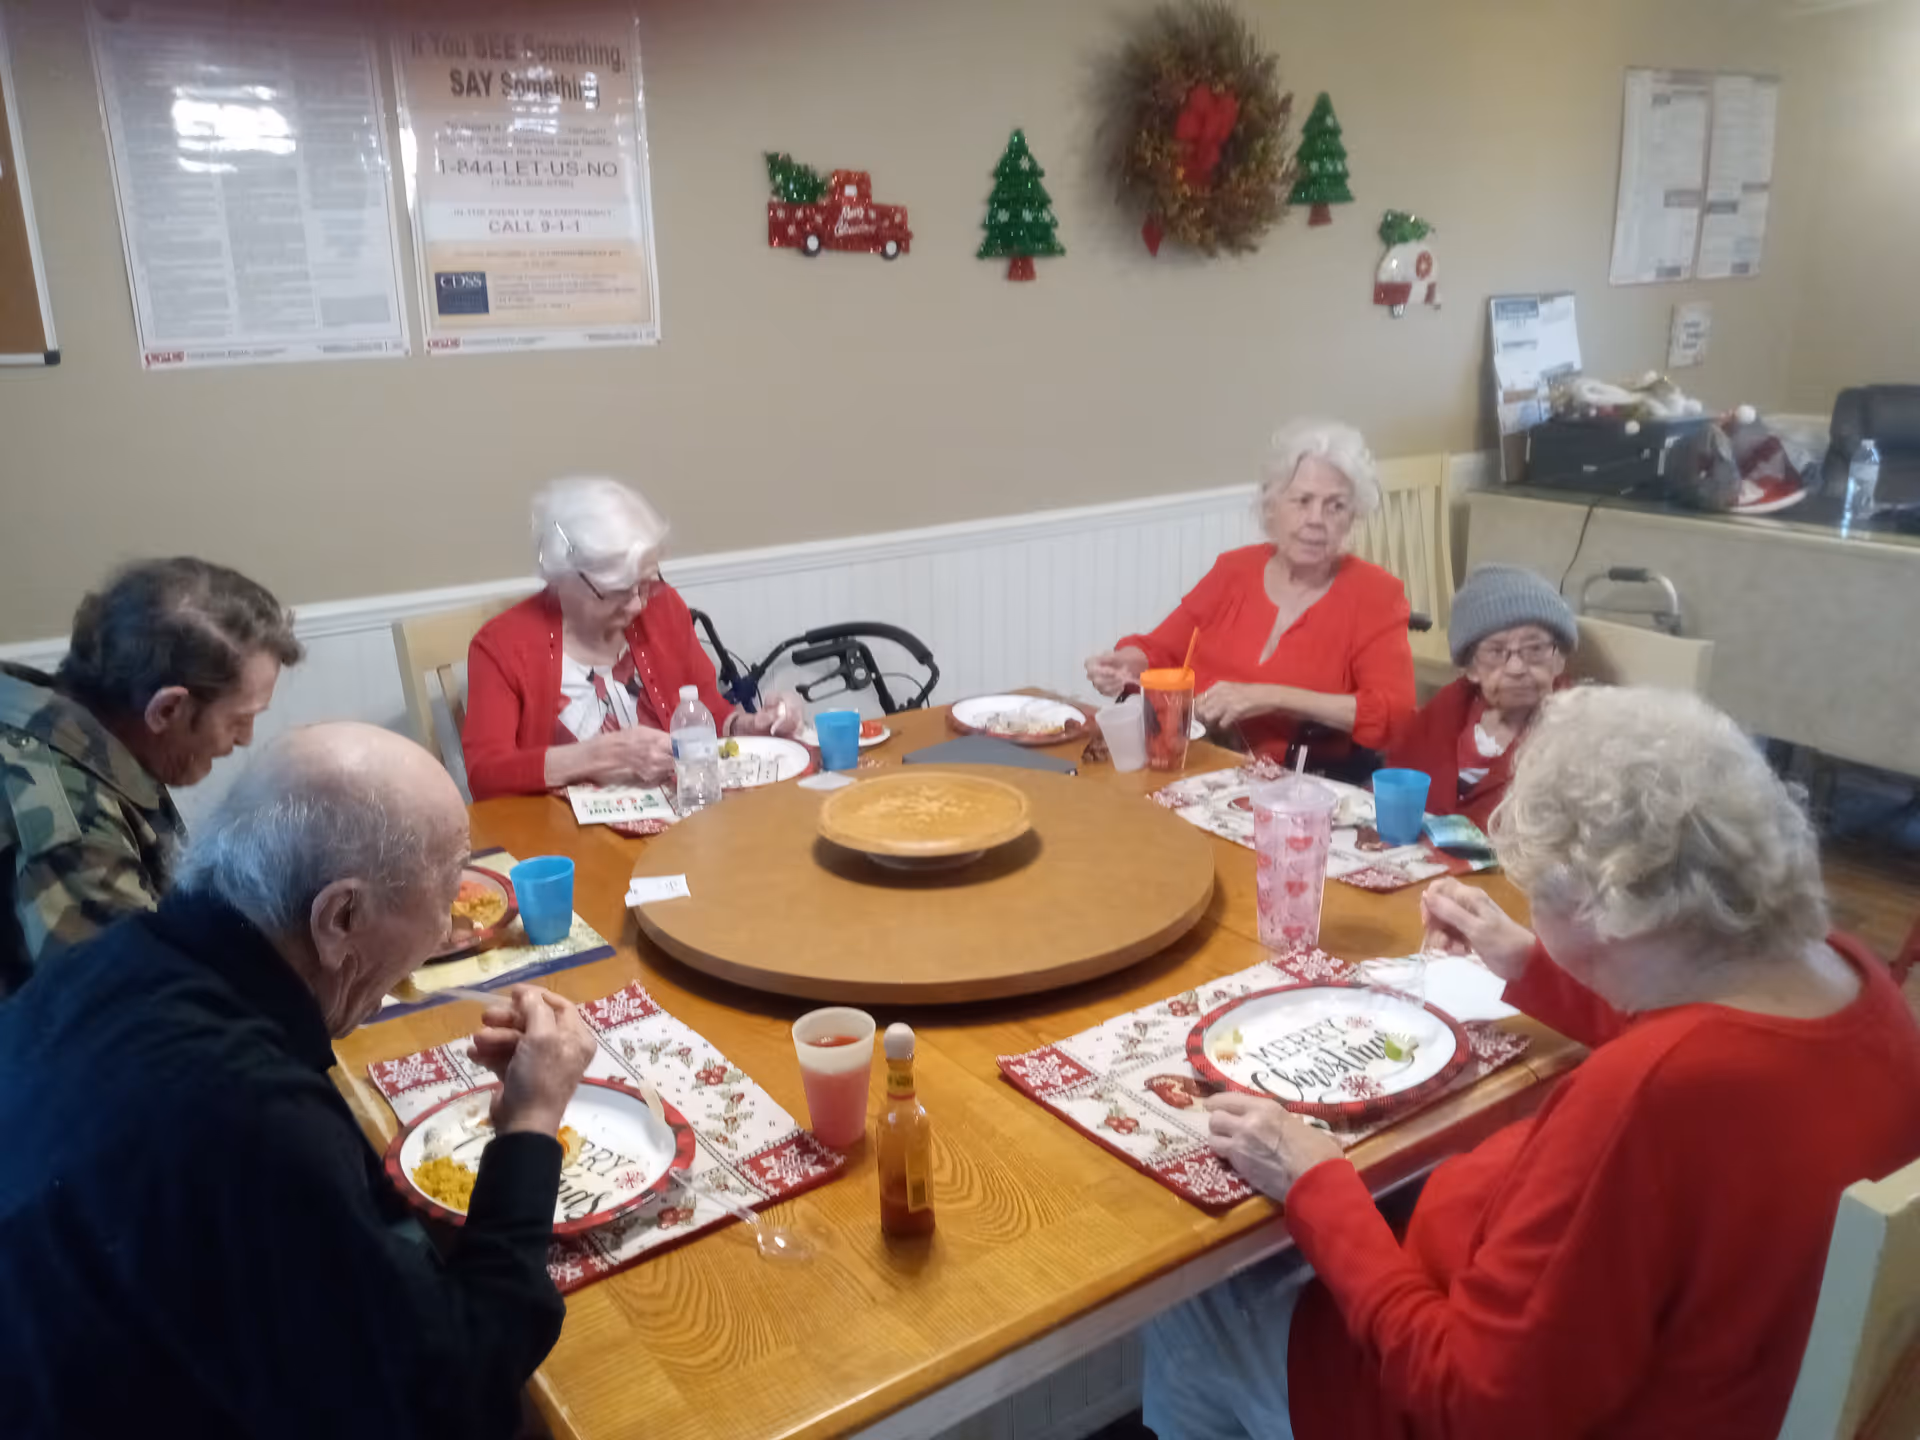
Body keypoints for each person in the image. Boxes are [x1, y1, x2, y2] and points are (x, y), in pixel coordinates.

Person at [1145, 686, 1920, 1439]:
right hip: (1720, 1379)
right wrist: (1529, 966)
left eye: (1534, 897)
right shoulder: (1853, 981)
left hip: (1444, 1399)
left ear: (1603, 909)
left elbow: (1470, 1405)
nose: (1531, 917)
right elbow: (1705, 1039)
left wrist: (1317, 1184)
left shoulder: (1647, 1097)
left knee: (1198, 1294)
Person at [0, 722, 595, 1439]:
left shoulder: (111, 960)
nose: (445, 933)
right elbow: (452, 1393)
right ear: (340, 916)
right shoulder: (250, 1116)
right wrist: (531, 1122)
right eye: (445, 894)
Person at [0, 556, 300, 996]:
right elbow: (128, 1013)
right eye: (239, 720)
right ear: (167, 710)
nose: (245, 739)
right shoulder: (70, 823)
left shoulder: (67, 720)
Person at [1084, 419, 1415, 765]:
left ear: (1352, 517)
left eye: (1336, 506)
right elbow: (1162, 650)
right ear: (1272, 507)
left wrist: (1270, 697)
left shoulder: (1375, 594)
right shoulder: (1233, 571)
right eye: (1302, 501)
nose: (1317, 519)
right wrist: (1124, 664)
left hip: (1293, 782)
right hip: (1196, 759)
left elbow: (1394, 713)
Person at [463, 476, 802, 801]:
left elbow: (708, 710)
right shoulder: (501, 647)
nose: (639, 603)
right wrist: (593, 756)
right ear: (563, 577)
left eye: (645, 583)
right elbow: (486, 775)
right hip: (567, 846)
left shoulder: (662, 606)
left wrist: (749, 726)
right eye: (618, 592)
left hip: (681, 825)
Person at [1383, 564, 1576, 828]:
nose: (1516, 668)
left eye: (1535, 649)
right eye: (1496, 652)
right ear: (1471, 668)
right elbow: (1393, 786)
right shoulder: (1446, 711)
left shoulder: (1579, 731)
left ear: (1559, 660)